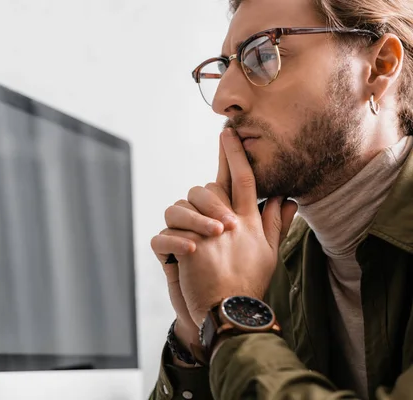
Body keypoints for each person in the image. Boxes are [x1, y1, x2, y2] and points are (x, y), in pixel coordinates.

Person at [148, 0, 413, 399]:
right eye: (226, 67)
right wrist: (197, 338)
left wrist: (232, 318)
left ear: (379, 66)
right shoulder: (263, 264)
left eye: (262, 54)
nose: (224, 99)